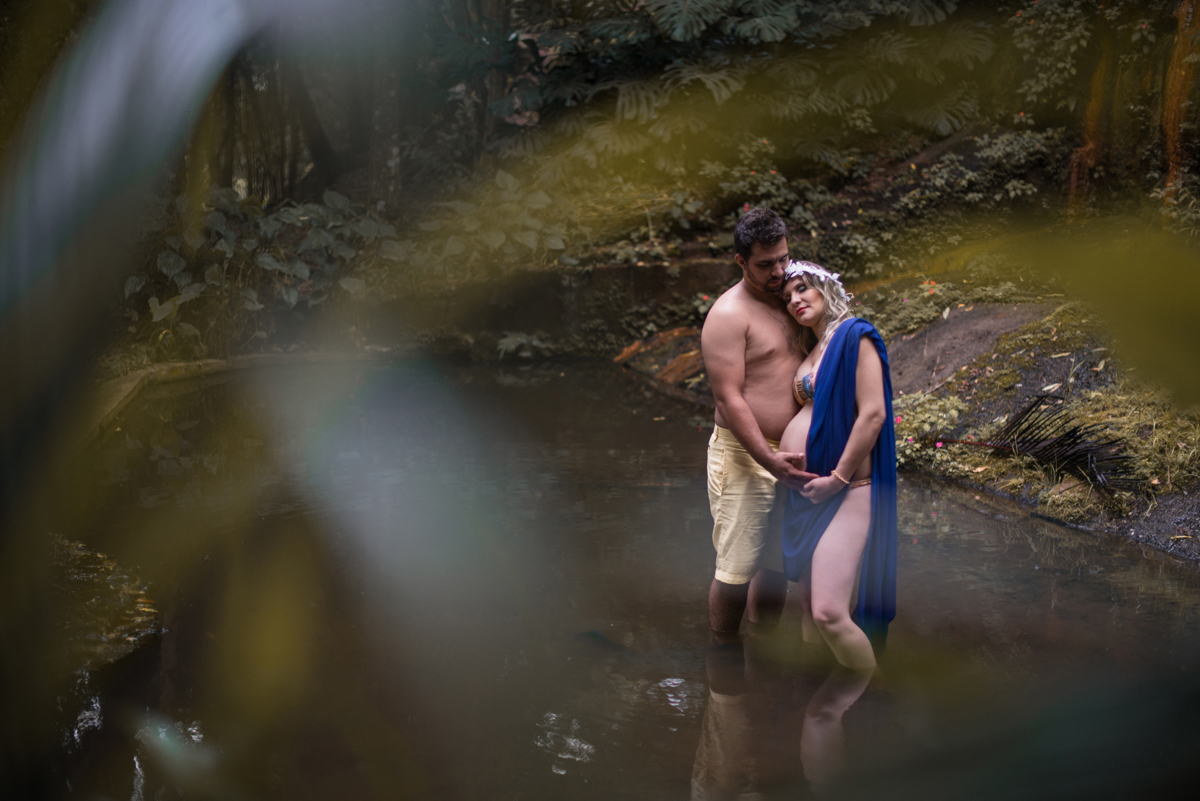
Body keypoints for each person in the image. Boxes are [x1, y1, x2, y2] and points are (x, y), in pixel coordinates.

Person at [776, 260, 898, 674]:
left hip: (848, 487)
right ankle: (819, 693)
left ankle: (869, 694)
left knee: (829, 612)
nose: (794, 300)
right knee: (810, 608)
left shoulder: (854, 335)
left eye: (802, 289)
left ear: (825, 288)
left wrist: (837, 478)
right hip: (808, 495)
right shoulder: (811, 350)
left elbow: (873, 414)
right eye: (787, 296)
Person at [700, 209, 817, 640]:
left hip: (793, 453)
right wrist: (769, 460)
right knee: (736, 568)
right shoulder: (729, 315)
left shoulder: (796, 297)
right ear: (741, 261)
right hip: (745, 454)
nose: (778, 271)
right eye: (765, 264)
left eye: (783, 258)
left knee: (776, 565)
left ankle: (764, 648)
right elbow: (728, 399)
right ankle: (723, 659)